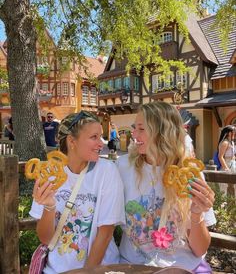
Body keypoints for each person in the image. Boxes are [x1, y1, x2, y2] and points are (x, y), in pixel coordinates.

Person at [116, 101, 216, 273]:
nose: (134, 134)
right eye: (135, 127)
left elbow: (200, 250)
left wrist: (196, 214)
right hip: (132, 266)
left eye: (141, 129)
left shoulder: (189, 174)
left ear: (162, 133)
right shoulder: (122, 167)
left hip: (182, 267)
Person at [29, 111, 125, 273]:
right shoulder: (50, 174)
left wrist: (86, 272)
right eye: (94, 137)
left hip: (98, 269)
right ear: (72, 141)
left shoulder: (107, 172)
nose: (101, 143)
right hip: (55, 270)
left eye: (101, 137)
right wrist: (49, 207)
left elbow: (106, 233)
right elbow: (46, 239)